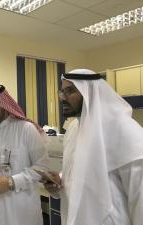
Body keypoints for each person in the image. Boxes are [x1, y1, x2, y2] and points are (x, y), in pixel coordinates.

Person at [44, 69, 143, 225]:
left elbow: (140, 196)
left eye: (70, 91)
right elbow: (82, 174)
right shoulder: (74, 129)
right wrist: (59, 182)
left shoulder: (124, 129)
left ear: (89, 91)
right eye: (61, 92)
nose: (63, 98)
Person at [0, 84, 49, 225]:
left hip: (20, 208)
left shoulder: (26, 129)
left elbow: (42, 166)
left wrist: (11, 182)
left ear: (4, 105)